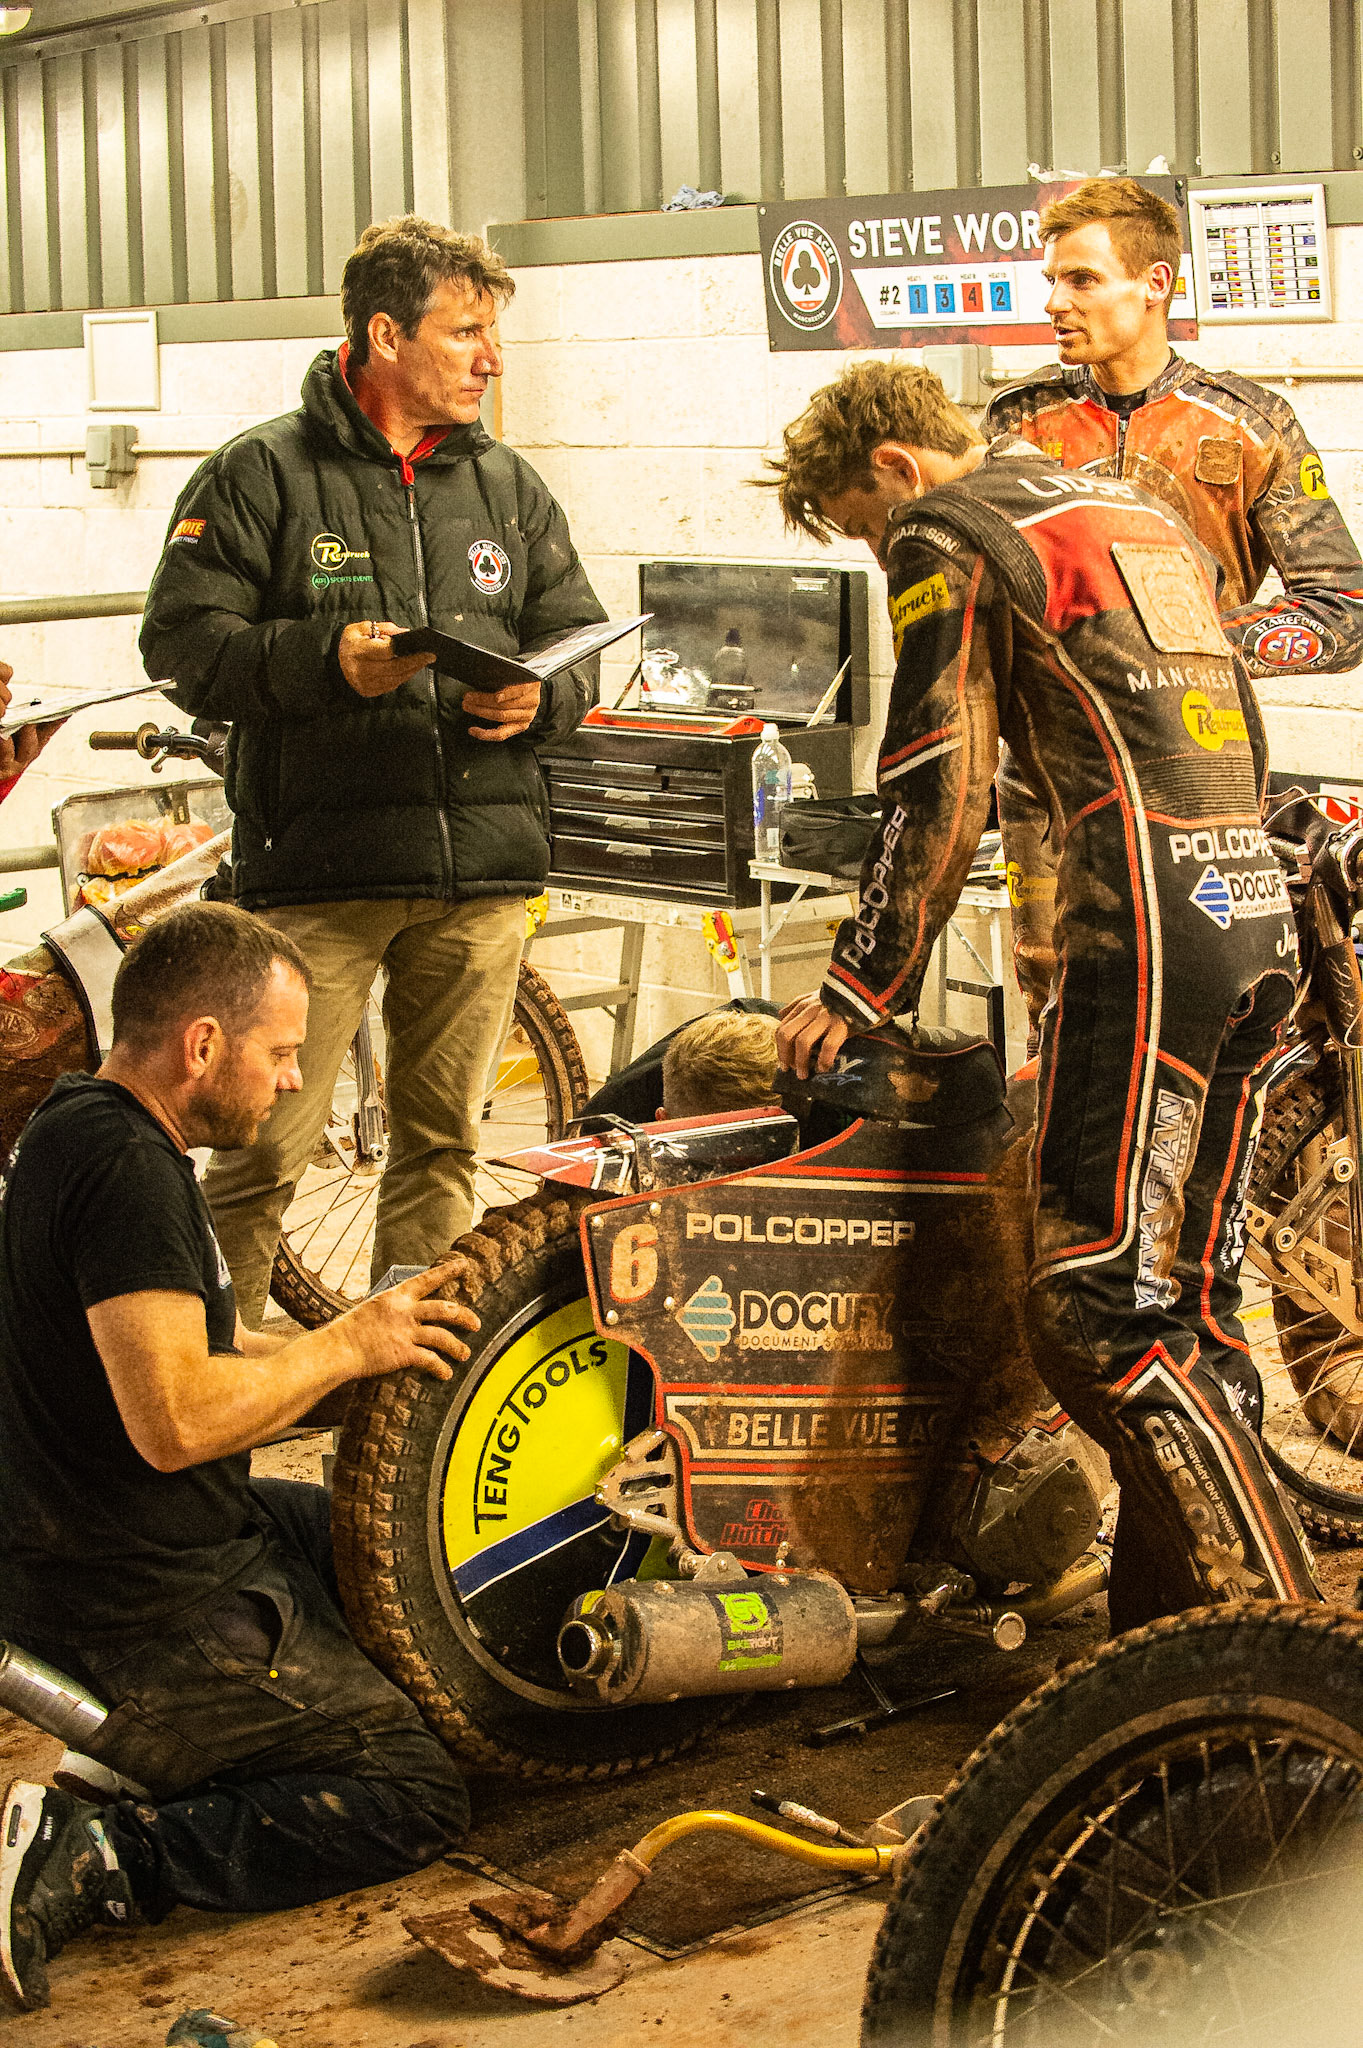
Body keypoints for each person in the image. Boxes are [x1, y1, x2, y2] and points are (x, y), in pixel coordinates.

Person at [765, 359, 1321, 1631]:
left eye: (859, 525)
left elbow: (938, 783)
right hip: (1250, 910)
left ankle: (1280, 1639)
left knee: (1089, 1302)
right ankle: (1171, 1639)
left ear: (894, 470)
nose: (876, 549)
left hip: (1147, 934)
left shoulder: (943, 528)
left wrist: (857, 985)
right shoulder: (1132, 511)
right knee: (1186, 1300)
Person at [0, 904, 479, 2011]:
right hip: (129, 1590)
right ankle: (105, 1853)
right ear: (202, 1044)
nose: (287, 1080)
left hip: (126, 1529)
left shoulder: (85, 1124)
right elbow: (174, 1415)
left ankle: (160, 1753)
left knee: (387, 1548)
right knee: (408, 1789)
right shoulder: (128, 1171)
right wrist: (344, 1342)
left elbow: (198, 1348)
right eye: (277, 1054)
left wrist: (355, 1359)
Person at [139, 215, 605, 1325]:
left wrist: (545, 697)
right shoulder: (259, 473)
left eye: (494, 334)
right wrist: (322, 660)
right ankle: (208, 1394)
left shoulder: (508, 486)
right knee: (260, 1151)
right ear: (385, 333)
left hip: (481, 876)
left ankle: (406, 1404)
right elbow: (181, 645)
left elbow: (579, 639)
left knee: (444, 1147)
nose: (490, 358)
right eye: (467, 332)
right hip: (319, 884)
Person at [984, 176, 1363, 1040]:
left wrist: (1199, 649)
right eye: (1050, 280)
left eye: (1079, 280)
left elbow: (1342, 604)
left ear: (1153, 284)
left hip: (1200, 764)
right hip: (1042, 776)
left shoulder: (1249, 424)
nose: (1053, 303)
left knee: (1203, 999)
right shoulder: (1018, 424)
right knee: (1054, 997)